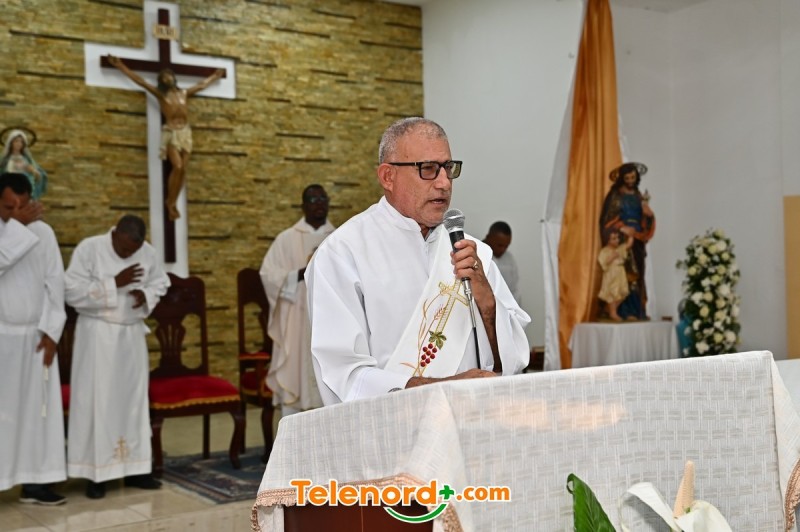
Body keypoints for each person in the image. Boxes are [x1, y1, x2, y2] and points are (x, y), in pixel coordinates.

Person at [306, 117, 530, 405]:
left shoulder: (476, 255)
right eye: (428, 169)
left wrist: (487, 305)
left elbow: (512, 362)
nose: (444, 183)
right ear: (388, 176)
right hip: (390, 427)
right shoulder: (342, 254)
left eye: (448, 168)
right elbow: (342, 374)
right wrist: (442, 389)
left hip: (474, 420)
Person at [64, 214, 170, 499]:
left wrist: (145, 294)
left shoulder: (147, 253)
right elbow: (71, 291)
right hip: (98, 335)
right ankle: (97, 474)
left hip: (131, 335)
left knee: (133, 402)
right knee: (98, 402)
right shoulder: (89, 249)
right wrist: (114, 284)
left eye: (133, 251)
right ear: (115, 234)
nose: (128, 255)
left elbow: (160, 282)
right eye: (124, 249)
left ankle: (136, 469)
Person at [0, 172, 67, 505]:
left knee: (37, 415)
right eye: (9, 207)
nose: (18, 212)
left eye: (24, 205)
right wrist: (17, 228)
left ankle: (35, 484)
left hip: (36, 338)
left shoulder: (44, 232)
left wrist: (52, 332)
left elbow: (55, 284)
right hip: (2, 336)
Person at [107, 55, 224, 221]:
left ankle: (173, 202)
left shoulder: (184, 93)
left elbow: (201, 85)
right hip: (171, 132)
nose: (167, 77)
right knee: (177, 166)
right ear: (161, 81)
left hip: (185, 132)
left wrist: (215, 76)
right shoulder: (161, 95)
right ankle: (170, 201)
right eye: (163, 77)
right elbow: (140, 81)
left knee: (183, 170)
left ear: (173, 77)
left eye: (169, 75)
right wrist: (120, 66)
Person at [259, 185, 335, 416]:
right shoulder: (286, 239)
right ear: (303, 206)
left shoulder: (339, 238)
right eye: (313, 199)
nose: (319, 203)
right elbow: (268, 275)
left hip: (331, 321)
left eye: (323, 198)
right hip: (297, 321)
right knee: (295, 377)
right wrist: (302, 272)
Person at [599, 161, 655, 320]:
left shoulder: (638, 195)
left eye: (633, 177)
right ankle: (624, 311)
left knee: (639, 274)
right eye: (627, 178)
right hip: (623, 239)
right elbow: (606, 220)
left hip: (637, 239)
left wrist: (648, 215)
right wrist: (622, 227)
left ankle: (638, 310)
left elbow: (645, 220)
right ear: (622, 179)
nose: (630, 181)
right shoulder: (615, 196)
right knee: (626, 274)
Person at [597, 228, 634, 322]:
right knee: (613, 293)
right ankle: (613, 313)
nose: (617, 240)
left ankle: (608, 309)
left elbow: (629, 244)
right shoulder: (605, 251)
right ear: (607, 240)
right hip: (611, 274)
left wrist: (630, 235)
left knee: (622, 293)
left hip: (620, 273)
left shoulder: (619, 249)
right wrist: (611, 257)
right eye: (614, 238)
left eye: (617, 238)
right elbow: (604, 262)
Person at [1, 129, 48, 200]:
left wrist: (33, 171)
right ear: (11, 143)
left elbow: (39, 175)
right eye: (16, 141)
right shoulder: (4, 160)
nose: (19, 144)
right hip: (8, 191)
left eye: (21, 142)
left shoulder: (27, 160)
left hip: (23, 190)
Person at [483, 221, 521, 303]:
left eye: (506, 246)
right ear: (488, 237)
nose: (503, 250)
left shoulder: (509, 259)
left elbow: (514, 290)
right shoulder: (476, 255)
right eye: (499, 245)